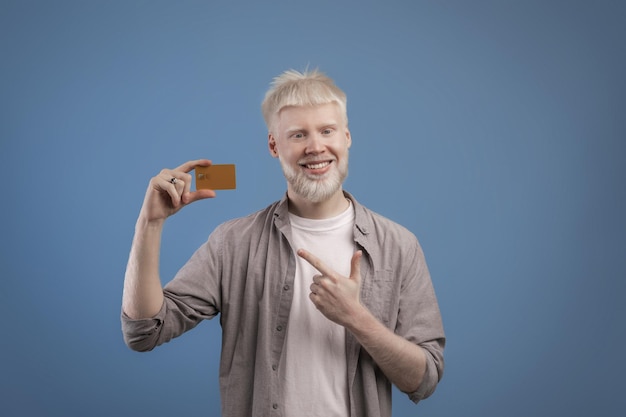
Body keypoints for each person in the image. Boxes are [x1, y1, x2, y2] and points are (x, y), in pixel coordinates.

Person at [121, 69, 445, 417]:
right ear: (274, 145)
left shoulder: (399, 246)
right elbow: (144, 332)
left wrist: (356, 318)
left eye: (326, 131)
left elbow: (424, 378)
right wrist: (150, 224)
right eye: (298, 134)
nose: (315, 146)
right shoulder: (233, 243)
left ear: (347, 137)